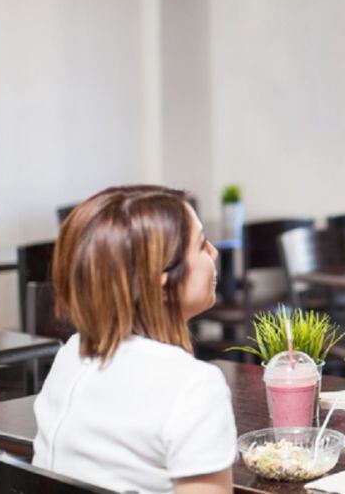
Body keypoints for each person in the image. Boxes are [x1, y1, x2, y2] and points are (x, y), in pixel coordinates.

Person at [33, 185, 236, 494]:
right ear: (162, 281)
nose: (214, 253)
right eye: (201, 245)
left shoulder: (73, 353)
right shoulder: (194, 386)